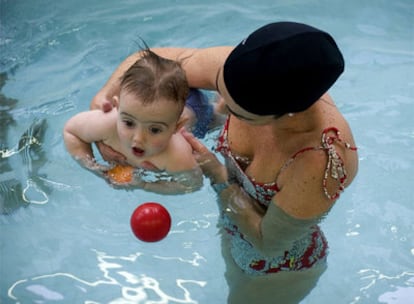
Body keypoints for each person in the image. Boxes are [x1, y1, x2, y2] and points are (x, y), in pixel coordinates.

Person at [91, 22, 358, 303]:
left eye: (234, 111)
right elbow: (149, 62)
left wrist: (216, 173)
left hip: (274, 269)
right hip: (232, 224)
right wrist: (103, 103)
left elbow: (268, 244)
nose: (220, 106)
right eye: (221, 91)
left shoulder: (316, 162)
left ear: (287, 114)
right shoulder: (249, 70)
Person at [64, 49, 215, 194]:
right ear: (116, 108)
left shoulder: (176, 155)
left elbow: (192, 185)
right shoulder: (107, 124)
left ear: (177, 127)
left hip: (198, 110)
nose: (138, 138)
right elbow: (71, 131)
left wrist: (145, 185)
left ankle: (219, 106)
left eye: (154, 130)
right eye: (129, 123)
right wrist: (92, 166)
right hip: (168, 104)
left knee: (217, 117)